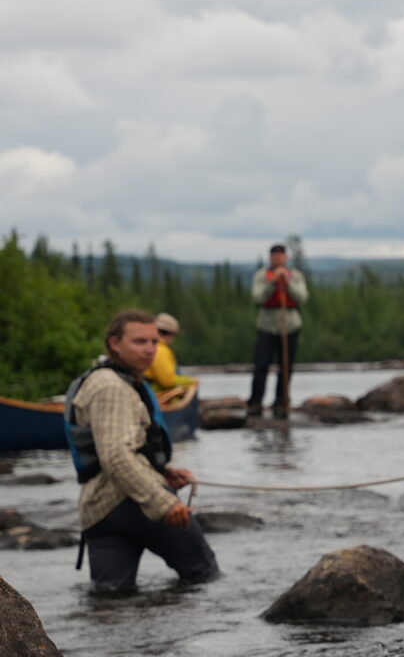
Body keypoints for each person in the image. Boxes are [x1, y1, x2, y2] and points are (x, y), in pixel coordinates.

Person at [65, 309, 219, 594]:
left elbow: (120, 449)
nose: (150, 349)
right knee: (204, 575)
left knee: (112, 598)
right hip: (131, 501)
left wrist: (163, 471)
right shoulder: (111, 387)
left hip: (99, 511)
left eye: (154, 342)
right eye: (139, 342)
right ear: (114, 343)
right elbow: (116, 456)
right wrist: (163, 501)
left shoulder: (116, 380)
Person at [247, 243, 307, 419]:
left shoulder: (295, 276)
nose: (278, 259)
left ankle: (281, 402)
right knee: (261, 365)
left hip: (290, 324)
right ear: (270, 258)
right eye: (275, 256)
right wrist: (273, 282)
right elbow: (257, 297)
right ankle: (255, 402)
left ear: (286, 257)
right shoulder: (261, 276)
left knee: (286, 366)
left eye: (281, 256)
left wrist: (287, 282)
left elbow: (302, 297)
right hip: (267, 324)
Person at [144, 312, 199, 409]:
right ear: (170, 334)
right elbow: (167, 381)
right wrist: (191, 381)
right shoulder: (160, 350)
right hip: (153, 397)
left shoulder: (151, 346)